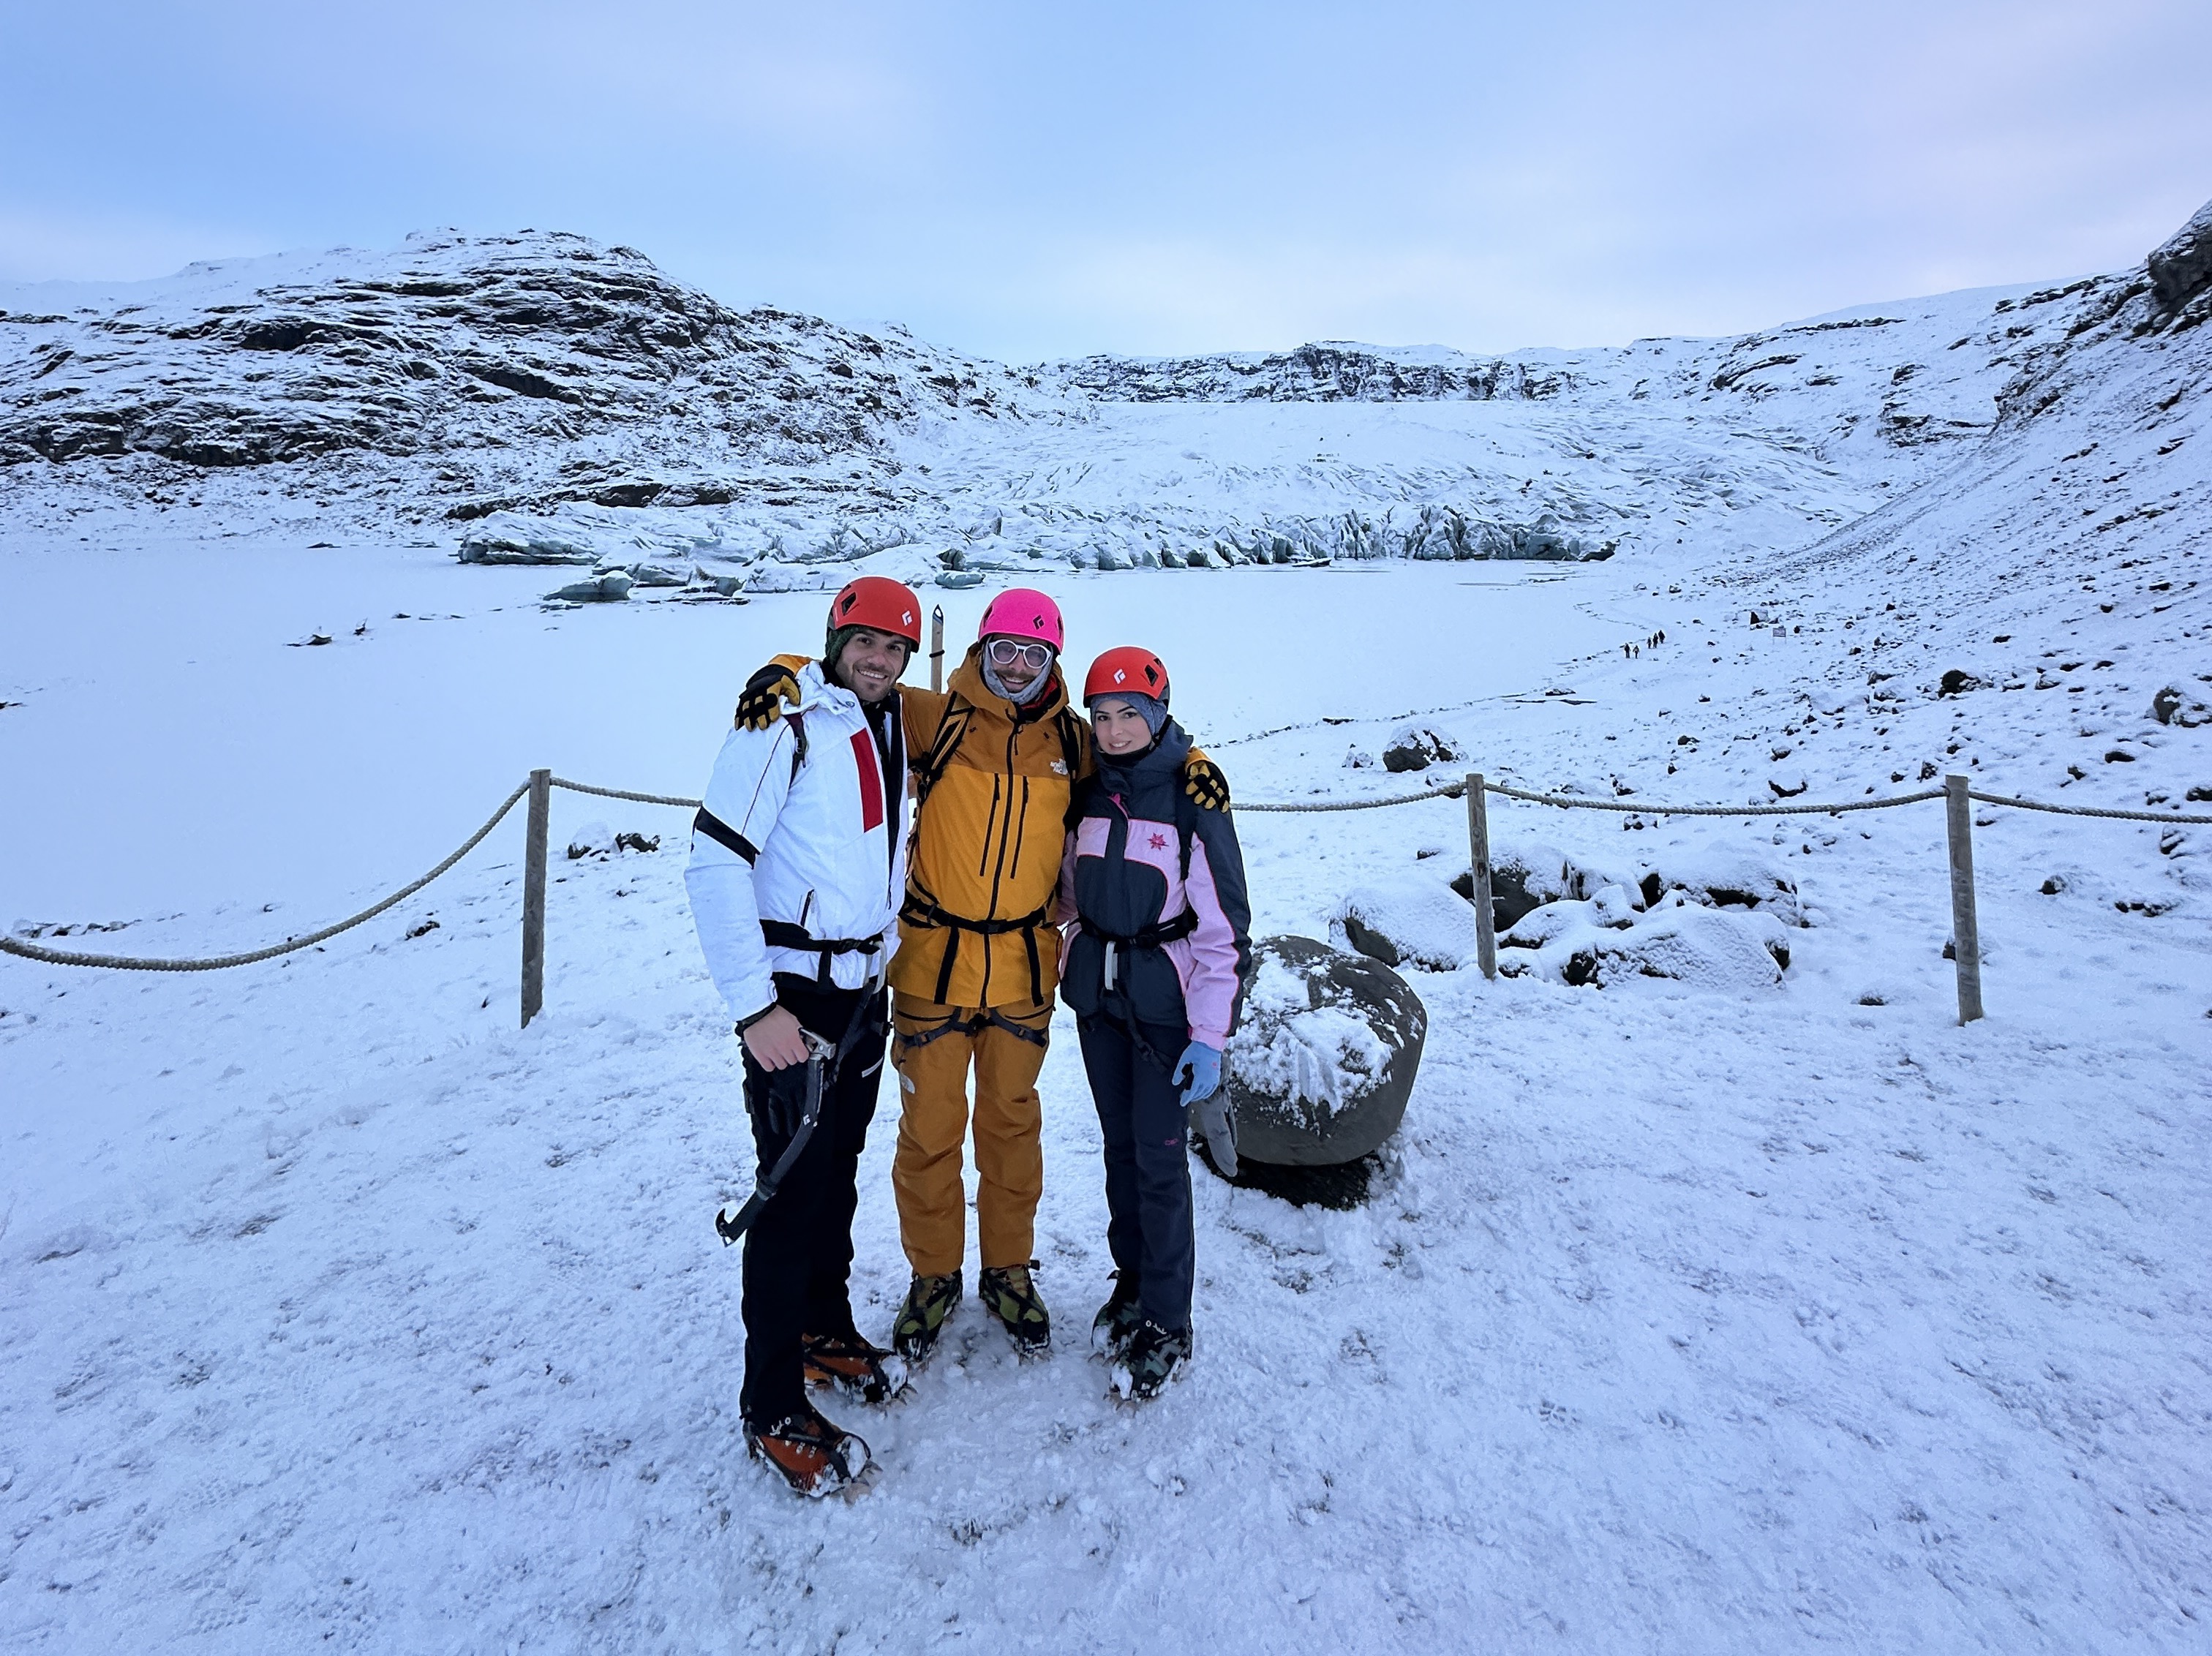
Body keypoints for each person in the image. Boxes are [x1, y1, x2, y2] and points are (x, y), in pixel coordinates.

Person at [686, 575, 920, 1497]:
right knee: (785, 1197)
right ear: (834, 639)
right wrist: (754, 1007)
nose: (877, 658)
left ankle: (824, 1327)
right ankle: (772, 1401)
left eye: (893, 646)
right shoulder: (779, 719)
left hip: (863, 992)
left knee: (837, 1173)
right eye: (863, 641)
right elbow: (713, 863)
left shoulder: (889, 719)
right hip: (791, 999)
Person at [879, 590, 1088, 1359]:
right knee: (929, 1130)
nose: (1017, 665)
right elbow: (849, 679)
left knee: (1011, 1128)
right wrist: (781, 670)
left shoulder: (1076, 737)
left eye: (1034, 654)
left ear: (1053, 662)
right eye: (1005, 649)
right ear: (980, 648)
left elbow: (1152, 757)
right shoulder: (935, 717)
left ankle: (1008, 1267)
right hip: (932, 963)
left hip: (1024, 971)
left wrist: (1197, 762)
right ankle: (933, 1273)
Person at [1056, 646, 1252, 1399]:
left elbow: (1223, 927)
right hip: (1100, 1002)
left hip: (1167, 1010)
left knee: (1161, 1161)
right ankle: (1132, 1282)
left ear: (1158, 713)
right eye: (1101, 714)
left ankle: (1169, 1320)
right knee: (1120, 1152)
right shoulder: (1088, 791)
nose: (1113, 728)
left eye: (1128, 713)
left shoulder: (1191, 795)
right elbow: (1070, 893)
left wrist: (1210, 1035)